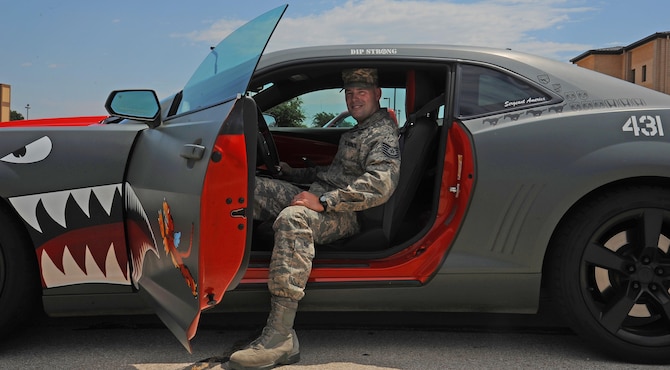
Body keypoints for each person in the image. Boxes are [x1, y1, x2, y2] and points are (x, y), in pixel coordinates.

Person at [228, 68, 401, 370]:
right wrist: (292, 174)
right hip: (326, 200)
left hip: (346, 213)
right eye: (349, 92)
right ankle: (216, 272)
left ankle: (281, 337)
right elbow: (334, 175)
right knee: (247, 190)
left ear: (377, 94)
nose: (354, 97)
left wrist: (323, 201)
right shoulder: (358, 130)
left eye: (361, 91)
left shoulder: (382, 134)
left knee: (294, 218)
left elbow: (380, 184)